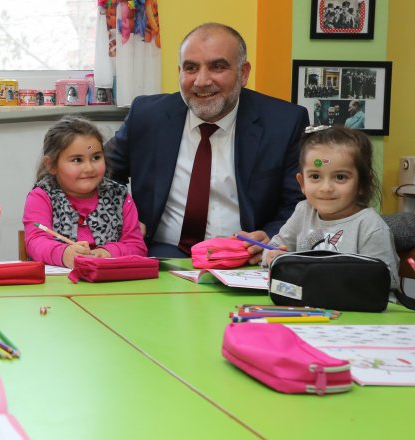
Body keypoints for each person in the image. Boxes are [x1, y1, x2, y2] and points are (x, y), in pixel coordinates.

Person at [107, 22, 309, 262]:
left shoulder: (284, 122)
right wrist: (122, 218)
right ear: (179, 72)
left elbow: (298, 201)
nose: (201, 81)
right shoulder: (147, 116)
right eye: (191, 68)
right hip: (159, 254)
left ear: (243, 73)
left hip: (242, 259)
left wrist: (272, 235)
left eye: (218, 67)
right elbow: (102, 174)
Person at [262, 127, 399, 292]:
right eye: (315, 176)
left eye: (340, 177)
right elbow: (274, 247)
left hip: (358, 313)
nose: (326, 188)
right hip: (307, 307)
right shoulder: (303, 211)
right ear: (302, 183)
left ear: (362, 183)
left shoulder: (371, 226)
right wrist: (272, 256)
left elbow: (387, 281)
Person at [24, 116, 147, 268]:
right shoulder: (42, 196)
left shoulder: (119, 196)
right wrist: (64, 254)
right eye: (77, 160)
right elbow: (35, 242)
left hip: (109, 285)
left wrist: (108, 253)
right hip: (59, 285)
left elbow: (137, 246)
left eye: (96, 157)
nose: (89, 168)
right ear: (51, 165)